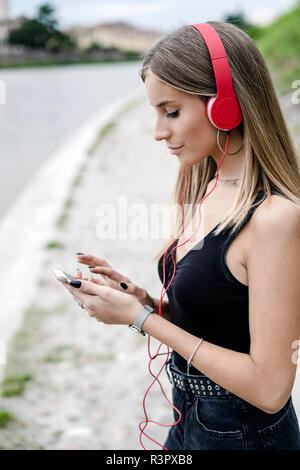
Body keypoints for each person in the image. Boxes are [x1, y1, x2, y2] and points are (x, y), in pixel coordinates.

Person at [61, 21, 300, 450]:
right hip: (188, 416)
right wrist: (147, 302)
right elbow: (225, 319)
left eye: (171, 111)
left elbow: (270, 388)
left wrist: (141, 322)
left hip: (244, 434)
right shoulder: (205, 186)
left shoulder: (276, 218)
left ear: (225, 106)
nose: (158, 131)